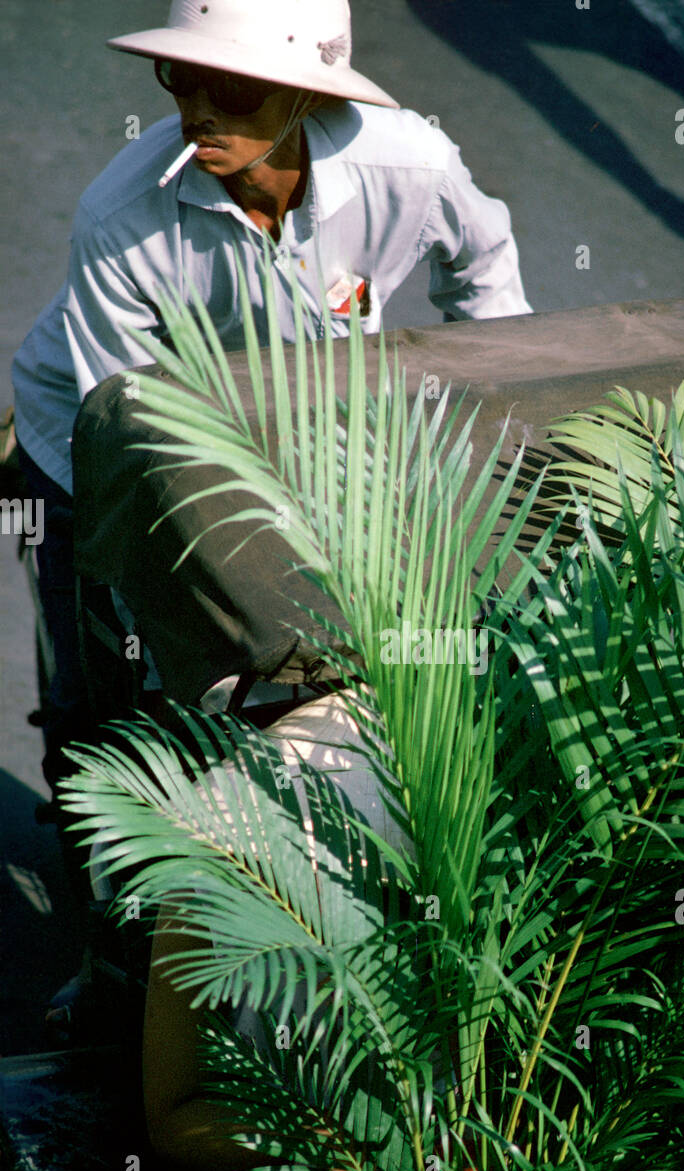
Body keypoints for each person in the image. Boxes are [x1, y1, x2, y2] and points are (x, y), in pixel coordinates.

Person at [12, 0, 531, 790]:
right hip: (98, 425)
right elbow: (134, 441)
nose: (198, 112)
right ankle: (101, 836)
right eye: (181, 78)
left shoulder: (412, 167)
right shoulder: (120, 218)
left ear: (308, 95)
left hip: (306, 421)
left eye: (236, 92)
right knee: (112, 672)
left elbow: (484, 266)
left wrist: (496, 405)